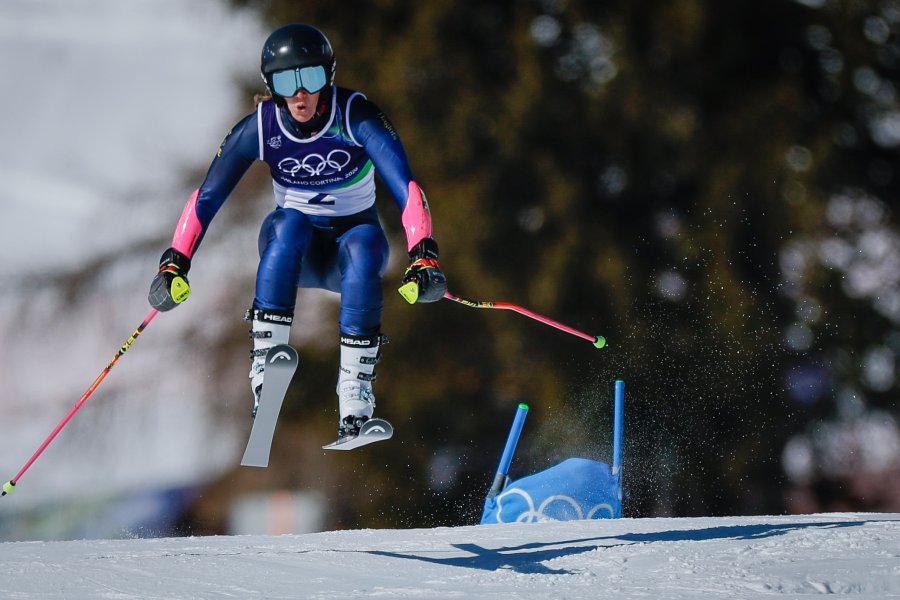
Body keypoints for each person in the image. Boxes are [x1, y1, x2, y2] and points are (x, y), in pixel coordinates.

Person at [148, 24, 447, 441]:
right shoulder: (261, 128)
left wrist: (423, 253)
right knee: (288, 224)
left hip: (349, 255)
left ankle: (355, 397)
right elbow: (206, 197)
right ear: (271, 85)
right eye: (288, 81)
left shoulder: (355, 115)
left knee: (364, 242)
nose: (301, 94)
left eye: (312, 78)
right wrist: (174, 262)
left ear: (330, 75)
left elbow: (405, 186)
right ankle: (265, 365)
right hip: (293, 252)